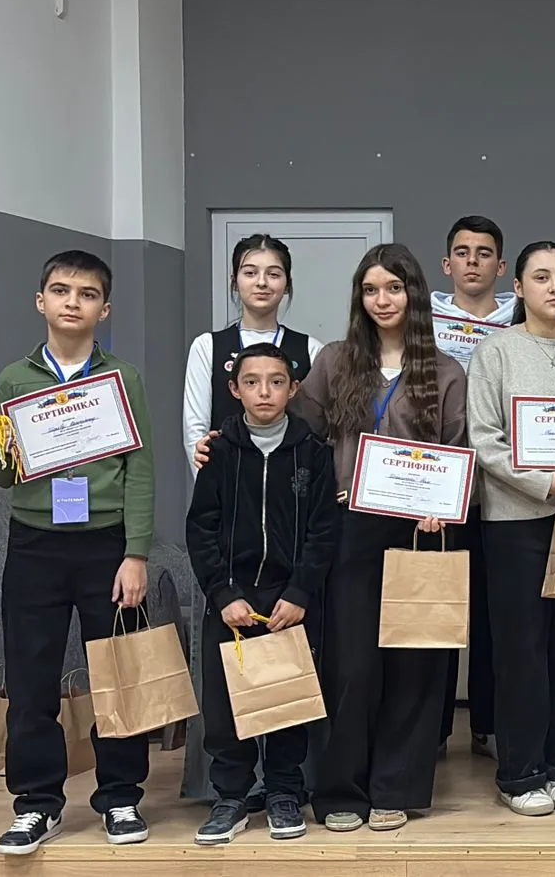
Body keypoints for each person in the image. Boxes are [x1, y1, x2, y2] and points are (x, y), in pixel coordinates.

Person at [195, 244, 470, 831]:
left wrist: (442, 508)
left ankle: (395, 788)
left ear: (414, 295)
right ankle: (341, 790)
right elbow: (298, 434)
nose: (382, 300)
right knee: (350, 666)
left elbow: (456, 450)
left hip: (420, 533)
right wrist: (223, 442)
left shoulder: (446, 371)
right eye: (370, 290)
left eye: (393, 288)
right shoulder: (336, 361)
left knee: (414, 666)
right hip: (349, 529)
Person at [0, 251, 155, 855]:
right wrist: (3, 448)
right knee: (31, 680)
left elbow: (140, 468)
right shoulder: (14, 378)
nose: (72, 302)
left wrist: (136, 553)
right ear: (41, 302)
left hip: (107, 545)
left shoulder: (123, 378)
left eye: (87, 294)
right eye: (60, 291)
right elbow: (0, 476)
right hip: (35, 544)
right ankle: (37, 803)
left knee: (117, 676)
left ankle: (121, 797)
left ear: (104, 309)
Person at [466, 241, 555, 816]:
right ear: (519, 287)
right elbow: (484, 440)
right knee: (521, 650)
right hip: (515, 521)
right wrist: (540, 483)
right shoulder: (496, 352)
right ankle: (520, 773)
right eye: (542, 277)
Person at [186, 343, 340, 845]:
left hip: (289, 599)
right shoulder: (219, 451)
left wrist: (300, 592)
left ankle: (284, 792)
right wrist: (221, 593)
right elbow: (201, 528)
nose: (264, 392)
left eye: (276, 382)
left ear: (293, 388)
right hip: (231, 599)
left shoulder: (313, 451)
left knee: (287, 699)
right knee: (226, 703)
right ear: (235, 390)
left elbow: (324, 531)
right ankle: (231, 796)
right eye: (252, 382)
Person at [432, 215, 517, 757]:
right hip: (440, 491)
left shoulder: (520, 320)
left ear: (500, 266)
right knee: (439, 609)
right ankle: (434, 729)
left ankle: (487, 724)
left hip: (503, 490)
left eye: (484, 253)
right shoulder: (423, 324)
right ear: (447, 265)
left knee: (493, 613)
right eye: (462, 252)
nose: (472, 261)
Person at [184, 234, 324, 468]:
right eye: (250, 273)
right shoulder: (207, 346)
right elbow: (195, 435)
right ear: (234, 281)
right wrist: (210, 485)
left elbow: (319, 430)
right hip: (226, 478)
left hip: (291, 480)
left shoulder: (311, 349)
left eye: (273, 274)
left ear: (287, 284)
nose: (261, 282)